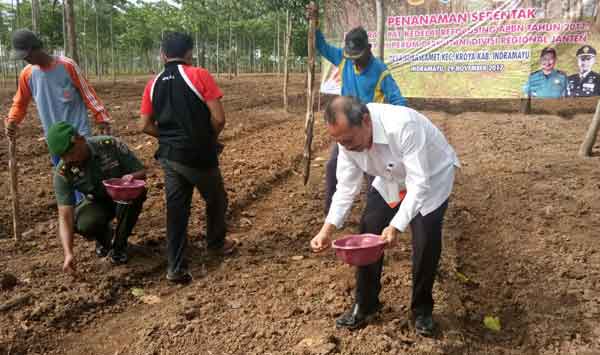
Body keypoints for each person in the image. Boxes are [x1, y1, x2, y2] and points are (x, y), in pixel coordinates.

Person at [310, 96, 460, 336]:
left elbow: (419, 184)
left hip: (430, 176)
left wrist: (396, 226)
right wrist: (326, 230)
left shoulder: (402, 126)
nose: (345, 147)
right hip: (391, 176)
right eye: (339, 142)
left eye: (348, 140)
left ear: (366, 121)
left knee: (425, 238)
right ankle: (366, 303)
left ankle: (422, 310)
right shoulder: (346, 141)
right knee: (369, 225)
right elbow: (346, 187)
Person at [139, 32, 236, 284]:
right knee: (216, 198)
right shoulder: (199, 75)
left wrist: (169, 137)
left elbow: (145, 125)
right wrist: (207, 139)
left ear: (162, 54)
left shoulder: (154, 82)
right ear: (189, 53)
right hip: (199, 156)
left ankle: (175, 267)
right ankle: (215, 244)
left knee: (176, 211)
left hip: (170, 157)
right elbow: (219, 118)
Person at [306, 3, 407, 213]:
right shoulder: (344, 60)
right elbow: (321, 46)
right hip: (348, 128)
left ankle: (387, 213)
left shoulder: (380, 71)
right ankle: (331, 215)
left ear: (368, 49)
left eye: (358, 57)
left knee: (378, 175)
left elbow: (399, 102)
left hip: (371, 131)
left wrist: (397, 132)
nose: (354, 62)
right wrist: (313, 22)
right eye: (351, 57)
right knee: (334, 167)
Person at [48, 122, 147, 273]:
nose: (68, 159)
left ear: (80, 139)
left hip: (123, 195)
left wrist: (129, 178)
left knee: (138, 193)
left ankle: (119, 247)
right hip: (97, 202)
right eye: (63, 156)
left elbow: (141, 172)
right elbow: (65, 215)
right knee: (84, 223)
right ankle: (104, 240)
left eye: (71, 153)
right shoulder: (63, 172)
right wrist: (68, 253)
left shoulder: (109, 144)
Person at [4, 29, 112, 157]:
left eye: (27, 54)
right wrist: (12, 120)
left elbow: (88, 93)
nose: (25, 59)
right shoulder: (27, 74)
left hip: (78, 136)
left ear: (36, 48)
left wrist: (101, 117)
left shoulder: (67, 65)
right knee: (64, 174)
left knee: (87, 174)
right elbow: (20, 103)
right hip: (55, 141)